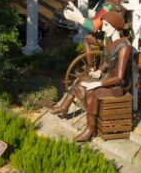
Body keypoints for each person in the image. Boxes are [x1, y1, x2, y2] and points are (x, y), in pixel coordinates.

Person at [47, 12, 132, 142]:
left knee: (91, 92)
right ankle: (63, 108)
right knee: (81, 80)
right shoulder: (111, 41)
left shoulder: (124, 46)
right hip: (108, 78)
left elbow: (120, 77)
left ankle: (90, 129)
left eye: (106, 25)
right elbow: (107, 62)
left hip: (117, 87)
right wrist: (98, 72)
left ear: (115, 26)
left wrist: (97, 83)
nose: (102, 28)